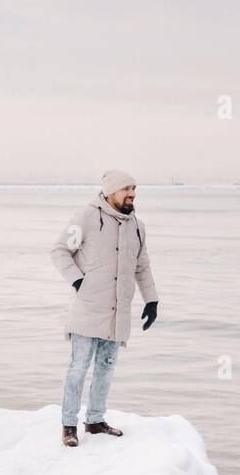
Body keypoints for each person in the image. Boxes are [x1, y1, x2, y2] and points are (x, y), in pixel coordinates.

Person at [49, 169, 159, 447]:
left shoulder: (137, 226)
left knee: (106, 369)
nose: (132, 194)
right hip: (88, 309)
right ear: (110, 192)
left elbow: (142, 266)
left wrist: (152, 300)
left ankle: (95, 421)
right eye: (126, 189)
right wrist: (78, 281)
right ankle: (69, 425)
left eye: (134, 188)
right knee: (77, 369)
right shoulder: (86, 217)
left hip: (118, 311)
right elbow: (60, 250)